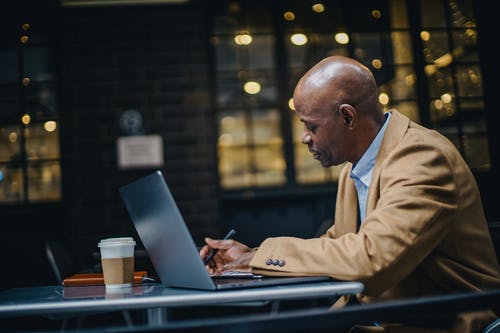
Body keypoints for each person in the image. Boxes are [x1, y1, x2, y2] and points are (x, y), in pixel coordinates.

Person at [200, 56, 500, 332]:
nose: (304, 137)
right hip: (379, 321)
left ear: (347, 117)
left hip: (444, 324)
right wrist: (250, 257)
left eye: (311, 126)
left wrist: (264, 255)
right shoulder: (355, 168)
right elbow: (340, 244)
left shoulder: (421, 158)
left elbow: (371, 259)